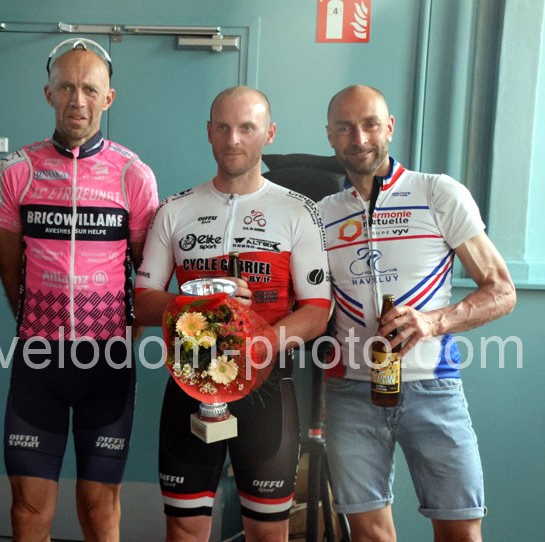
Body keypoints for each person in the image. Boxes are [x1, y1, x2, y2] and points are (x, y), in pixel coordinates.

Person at [318, 84, 517, 541]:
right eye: (345, 127)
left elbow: (502, 290)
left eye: (370, 124)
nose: (359, 138)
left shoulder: (437, 192)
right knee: (369, 536)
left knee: (460, 533)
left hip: (433, 386)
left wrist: (432, 322)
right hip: (352, 392)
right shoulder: (322, 214)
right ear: (330, 135)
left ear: (389, 127)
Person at [135, 86, 331, 541]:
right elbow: (142, 302)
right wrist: (201, 303)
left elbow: (317, 312)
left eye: (246, 127)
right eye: (223, 127)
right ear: (208, 132)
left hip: (267, 391)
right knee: (184, 529)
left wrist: (255, 342)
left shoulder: (298, 212)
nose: (233, 139)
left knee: (267, 533)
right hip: (190, 386)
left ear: (269, 133)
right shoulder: (174, 210)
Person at [0, 39, 159, 541]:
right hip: (39, 360)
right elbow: (9, 267)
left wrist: (122, 335)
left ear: (109, 97)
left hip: (106, 362)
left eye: (90, 89)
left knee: (99, 508)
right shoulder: (18, 169)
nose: (77, 100)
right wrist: (33, 322)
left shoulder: (133, 174)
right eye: (66, 87)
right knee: (27, 511)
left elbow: (146, 275)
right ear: (48, 93)